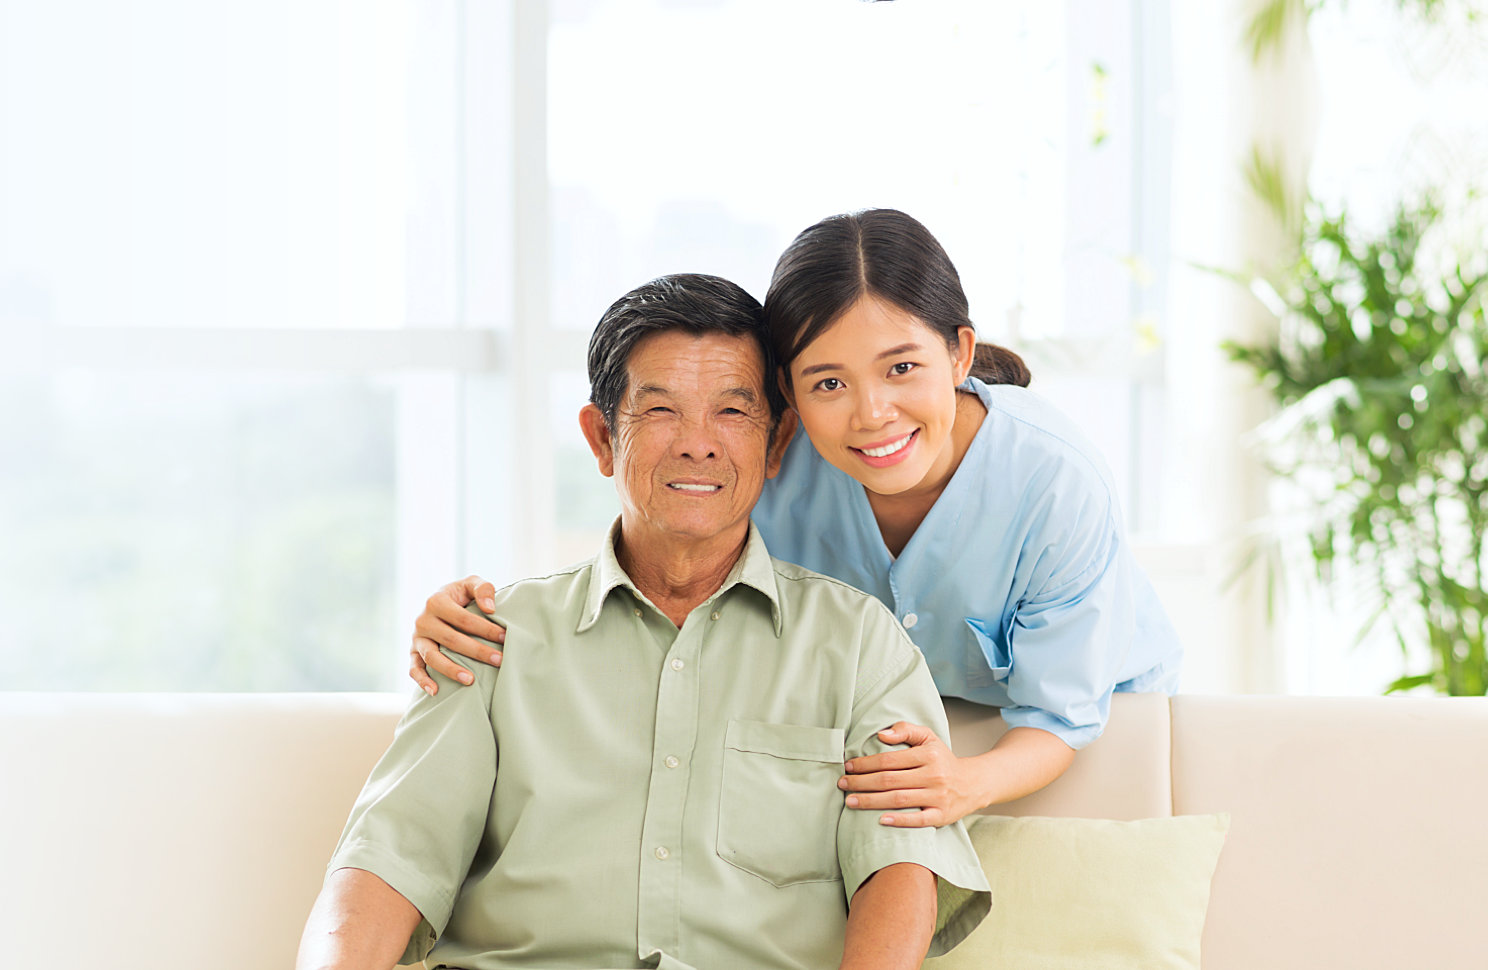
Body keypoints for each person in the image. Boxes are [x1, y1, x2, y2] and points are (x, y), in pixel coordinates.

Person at [298, 274, 988, 970]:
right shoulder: (487, 637)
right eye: (660, 412)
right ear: (602, 438)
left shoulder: (861, 643)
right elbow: (389, 857)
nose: (697, 444)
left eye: (731, 412)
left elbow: (899, 867)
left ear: (776, 442)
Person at [410, 209, 1182, 830]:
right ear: (788, 395)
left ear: (959, 353)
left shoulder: (1052, 480)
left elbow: (1060, 713)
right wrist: (474, 618)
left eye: (902, 367)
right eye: (827, 382)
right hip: (886, 726)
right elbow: (659, 547)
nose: (872, 414)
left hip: (1077, 730)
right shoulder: (773, 459)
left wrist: (965, 783)